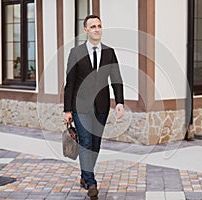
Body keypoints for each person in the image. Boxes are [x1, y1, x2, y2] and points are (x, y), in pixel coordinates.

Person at [63, 15, 125, 199]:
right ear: (86, 30)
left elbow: (116, 78)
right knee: (86, 142)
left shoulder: (109, 52)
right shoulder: (76, 53)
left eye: (99, 26)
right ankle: (91, 182)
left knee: (96, 144)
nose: (97, 29)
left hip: (101, 106)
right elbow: (70, 83)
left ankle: (84, 175)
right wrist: (67, 110)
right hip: (80, 106)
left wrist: (119, 102)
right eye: (92, 26)